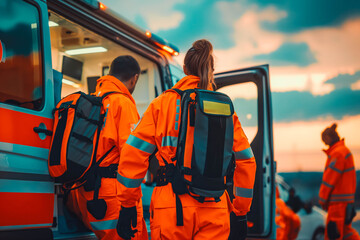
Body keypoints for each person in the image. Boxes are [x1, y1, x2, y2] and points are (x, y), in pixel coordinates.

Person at [115, 39, 256, 240]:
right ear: (211, 70)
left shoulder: (162, 104)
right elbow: (246, 161)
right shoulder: (225, 110)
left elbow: (133, 154)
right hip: (215, 208)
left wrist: (127, 205)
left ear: (184, 68)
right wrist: (241, 212)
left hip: (173, 208)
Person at [66, 56, 148, 240]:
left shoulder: (92, 101)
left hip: (87, 193)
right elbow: (132, 156)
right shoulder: (122, 103)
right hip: (114, 197)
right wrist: (129, 202)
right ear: (134, 78)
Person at [319, 123, 360, 240]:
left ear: (328, 137)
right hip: (346, 203)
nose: (324, 143)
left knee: (333, 234)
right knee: (346, 232)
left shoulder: (337, 153)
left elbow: (329, 179)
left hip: (338, 205)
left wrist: (322, 199)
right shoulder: (344, 151)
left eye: (324, 140)